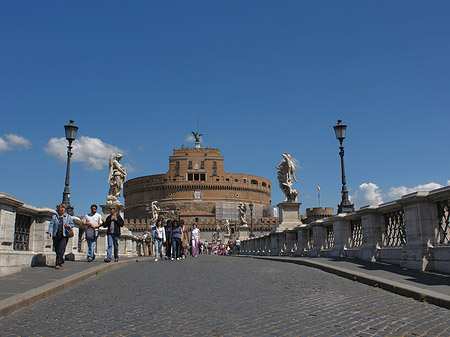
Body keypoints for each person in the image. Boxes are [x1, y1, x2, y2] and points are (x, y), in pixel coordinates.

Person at [47, 204, 74, 269]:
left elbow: (72, 224)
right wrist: (49, 233)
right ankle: (61, 260)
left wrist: (69, 226)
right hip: (56, 235)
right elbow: (51, 225)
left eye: (63, 208)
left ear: (65, 209)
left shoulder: (68, 217)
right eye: (60, 208)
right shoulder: (55, 217)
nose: (61, 209)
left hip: (64, 235)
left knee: (61, 249)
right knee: (56, 249)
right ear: (58, 209)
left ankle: (58, 263)